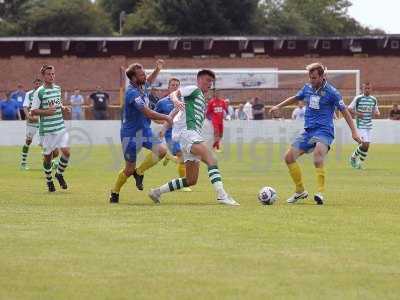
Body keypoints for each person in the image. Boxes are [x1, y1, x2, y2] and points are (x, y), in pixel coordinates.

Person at [270, 62, 361, 205]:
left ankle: (320, 193)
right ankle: (300, 191)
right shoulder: (307, 88)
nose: (311, 81)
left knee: (318, 155)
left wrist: (354, 132)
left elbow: (345, 111)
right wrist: (278, 106)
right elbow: (295, 98)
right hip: (308, 131)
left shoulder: (332, 92)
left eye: (314, 78)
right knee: (288, 157)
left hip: (324, 131)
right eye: (310, 78)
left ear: (322, 76)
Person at [148, 69, 239, 206]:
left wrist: (165, 127)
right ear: (200, 79)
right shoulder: (194, 89)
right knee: (212, 159)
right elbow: (174, 94)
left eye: (212, 82)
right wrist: (175, 100)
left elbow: (174, 111)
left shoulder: (199, 97)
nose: (210, 84)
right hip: (188, 135)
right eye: (208, 81)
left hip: (188, 136)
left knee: (191, 180)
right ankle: (222, 195)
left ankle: (156, 192)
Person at [109, 59, 173, 204]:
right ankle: (115, 191)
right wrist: (167, 118)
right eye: (141, 75)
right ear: (133, 78)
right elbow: (148, 113)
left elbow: (149, 80)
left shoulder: (141, 86)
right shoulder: (132, 93)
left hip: (145, 132)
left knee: (161, 151)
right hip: (130, 135)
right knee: (128, 169)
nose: (145, 77)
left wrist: (157, 69)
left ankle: (139, 172)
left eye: (144, 74)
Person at [31, 64, 71, 192]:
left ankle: (59, 174)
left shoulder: (58, 88)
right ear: (43, 76)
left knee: (66, 152)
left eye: (53, 73)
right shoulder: (39, 92)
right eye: (49, 74)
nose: (51, 76)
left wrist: (63, 107)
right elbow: (33, 111)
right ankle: (49, 181)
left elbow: (57, 103)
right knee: (48, 157)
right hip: (47, 130)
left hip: (60, 126)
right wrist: (47, 112)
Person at [155, 77, 192, 192]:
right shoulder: (162, 102)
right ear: (168, 87)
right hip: (170, 133)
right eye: (173, 85)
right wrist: (166, 123)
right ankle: (183, 184)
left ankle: (169, 157)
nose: (175, 87)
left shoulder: (184, 101)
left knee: (186, 156)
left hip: (183, 132)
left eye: (177, 85)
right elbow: (154, 117)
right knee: (181, 156)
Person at [348, 82, 380, 169]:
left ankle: (359, 164)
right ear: (362, 89)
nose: (367, 90)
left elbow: (377, 112)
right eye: (365, 88)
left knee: (367, 146)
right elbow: (349, 108)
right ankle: (353, 157)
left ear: (371, 89)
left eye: (369, 88)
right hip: (361, 125)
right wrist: (358, 113)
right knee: (364, 144)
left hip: (369, 125)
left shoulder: (373, 99)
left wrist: (376, 113)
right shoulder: (358, 98)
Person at [20, 78, 42, 170]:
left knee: (44, 143)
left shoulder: (44, 93)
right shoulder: (29, 94)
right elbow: (25, 106)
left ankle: (49, 162)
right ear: (34, 84)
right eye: (36, 84)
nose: (37, 85)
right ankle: (23, 163)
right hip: (32, 121)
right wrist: (28, 117)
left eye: (39, 84)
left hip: (42, 121)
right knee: (28, 141)